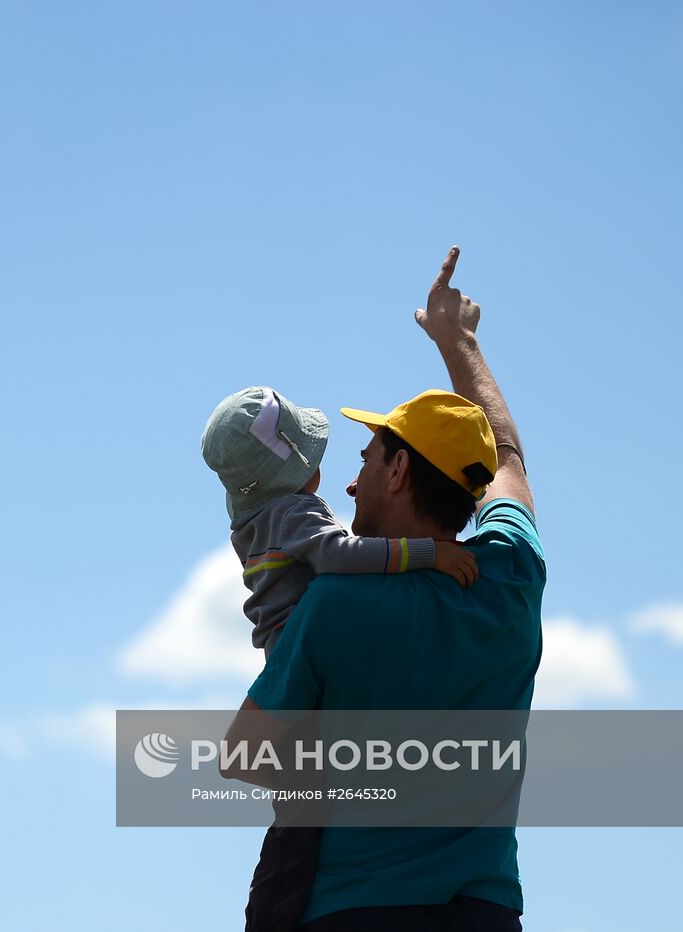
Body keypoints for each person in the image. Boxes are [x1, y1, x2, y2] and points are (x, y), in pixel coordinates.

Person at [224, 246, 544, 932]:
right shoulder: (513, 574)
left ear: (399, 473)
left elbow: (245, 753)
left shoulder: (333, 604)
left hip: (354, 912)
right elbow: (508, 457)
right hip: (486, 914)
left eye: (367, 459)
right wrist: (462, 346)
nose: (348, 481)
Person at [200, 385, 481, 658]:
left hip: (281, 646)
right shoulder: (295, 513)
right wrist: (429, 553)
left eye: (365, 463)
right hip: (310, 642)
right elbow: (338, 554)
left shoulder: (253, 525)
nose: (350, 486)